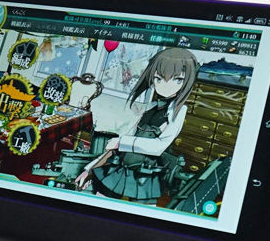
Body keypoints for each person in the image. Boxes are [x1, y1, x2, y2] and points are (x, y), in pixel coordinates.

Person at [75, 47, 198, 204]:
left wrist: (122, 142)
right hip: (121, 167)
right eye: (159, 78)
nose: (165, 86)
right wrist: (89, 170)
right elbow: (119, 144)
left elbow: (158, 146)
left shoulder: (178, 111)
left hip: (147, 174)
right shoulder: (150, 107)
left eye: (178, 80)